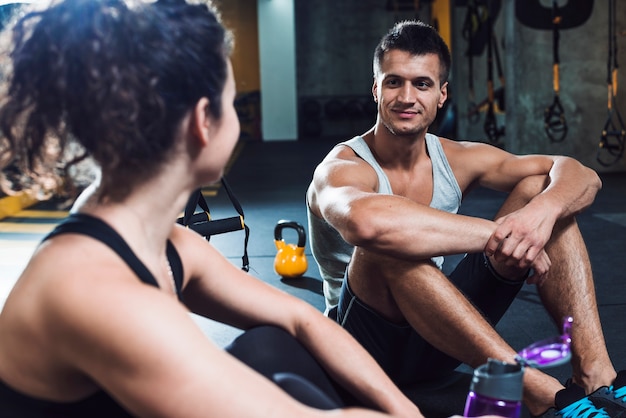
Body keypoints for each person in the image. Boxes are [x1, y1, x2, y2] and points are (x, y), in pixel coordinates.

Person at [0, 1, 427, 417]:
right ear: (204, 121)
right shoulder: (96, 291)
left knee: (272, 347)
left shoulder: (161, 243)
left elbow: (302, 320)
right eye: (233, 103)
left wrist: (403, 409)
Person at [307, 20, 626, 418]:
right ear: (376, 89)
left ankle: (598, 378)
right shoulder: (341, 166)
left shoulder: (456, 157)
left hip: (435, 339)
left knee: (540, 191)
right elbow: (367, 224)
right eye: (394, 82)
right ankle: (545, 396)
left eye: (422, 84)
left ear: (442, 95)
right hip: (358, 353)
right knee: (386, 245)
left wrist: (541, 213)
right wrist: (502, 234)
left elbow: (579, 174)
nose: (407, 97)